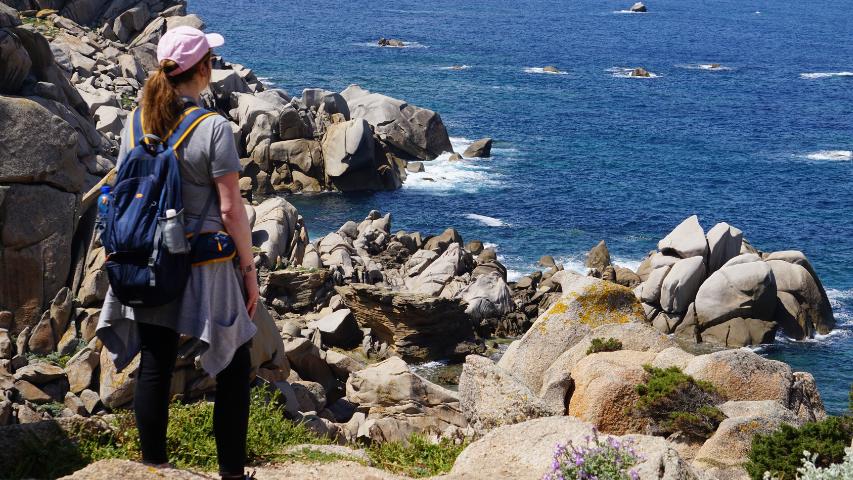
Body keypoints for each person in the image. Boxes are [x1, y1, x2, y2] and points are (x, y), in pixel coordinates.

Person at [96, 26, 260, 480]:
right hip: (203, 265)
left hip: (146, 259)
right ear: (203, 70)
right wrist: (249, 270)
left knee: (155, 359)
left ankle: (154, 467)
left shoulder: (134, 123)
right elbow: (231, 210)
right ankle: (230, 472)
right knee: (233, 361)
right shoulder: (214, 128)